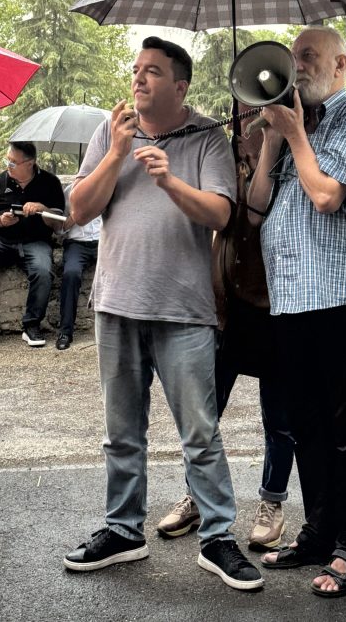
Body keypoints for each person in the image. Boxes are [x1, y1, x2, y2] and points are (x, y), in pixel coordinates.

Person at [63, 36, 263, 591]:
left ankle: (218, 537)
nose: (139, 78)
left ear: (181, 85)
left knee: (200, 431)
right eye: (135, 69)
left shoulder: (207, 137)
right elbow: (79, 209)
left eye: (152, 71)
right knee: (121, 431)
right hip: (117, 303)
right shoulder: (112, 130)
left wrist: (168, 179)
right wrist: (116, 153)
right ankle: (123, 531)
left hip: (183, 309)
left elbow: (223, 212)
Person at [247, 25, 346, 599]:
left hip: (343, 299)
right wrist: (272, 145)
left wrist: (298, 137)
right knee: (306, 429)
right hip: (292, 301)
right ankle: (319, 532)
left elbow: (327, 197)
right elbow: (256, 210)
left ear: (340, 65)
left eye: (308, 57)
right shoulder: (287, 129)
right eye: (293, 58)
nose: (297, 66)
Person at [157, 105, 294, 553]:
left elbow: (260, 212)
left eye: (256, 113)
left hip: (277, 306)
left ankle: (272, 503)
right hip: (227, 306)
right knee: (205, 414)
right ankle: (198, 494)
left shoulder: (292, 153)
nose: (247, 122)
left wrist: (271, 145)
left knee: (280, 418)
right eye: (241, 114)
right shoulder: (222, 155)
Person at [0, 141, 65, 348]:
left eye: (13, 163)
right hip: (0, 240)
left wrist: (41, 208)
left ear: (30, 163)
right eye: (7, 160)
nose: (7, 166)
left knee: (43, 271)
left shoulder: (50, 182)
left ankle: (31, 324)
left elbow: (59, 222)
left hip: (35, 242)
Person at [55, 183, 100, 350]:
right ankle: (65, 331)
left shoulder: (108, 185)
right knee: (71, 274)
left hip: (103, 241)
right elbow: (60, 228)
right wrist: (76, 214)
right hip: (77, 244)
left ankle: (127, 329)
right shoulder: (69, 191)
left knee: (120, 271)